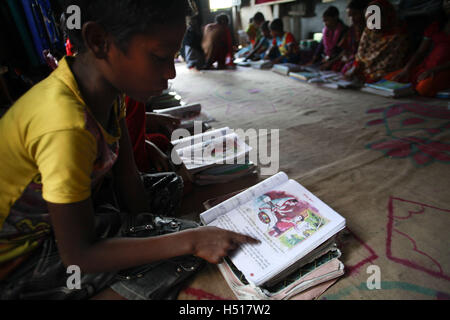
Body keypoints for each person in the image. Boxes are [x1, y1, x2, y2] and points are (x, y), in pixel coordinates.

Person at [0, 0, 258, 300]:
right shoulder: (65, 126)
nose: (171, 73)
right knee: (183, 255)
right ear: (99, 41)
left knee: (169, 187)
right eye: (160, 57)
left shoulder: (108, 91)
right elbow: (79, 256)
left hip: (74, 212)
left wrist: (148, 228)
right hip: (20, 258)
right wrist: (188, 241)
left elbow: (128, 176)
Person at [385, 0, 450, 97]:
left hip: (443, 70)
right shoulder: (435, 26)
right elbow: (420, 51)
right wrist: (406, 69)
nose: (448, 4)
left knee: (423, 88)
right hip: (425, 67)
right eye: (446, 1)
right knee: (390, 79)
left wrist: (433, 70)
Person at [345, 0, 410, 83]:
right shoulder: (368, 30)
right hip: (366, 68)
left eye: (375, 21)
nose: (372, 25)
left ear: (386, 17)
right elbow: (361, 51)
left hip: (383, 71)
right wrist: (356, 66)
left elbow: (389, 63)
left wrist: (366, 74)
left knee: (389, 78)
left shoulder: (398, 36)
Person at [332, 0, 370, 74]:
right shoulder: (352, 30)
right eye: (350, 16)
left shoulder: (372, 31)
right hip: (351, 60)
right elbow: (345, 50)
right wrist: (330, 62)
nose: (352, 19)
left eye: (355, 14)